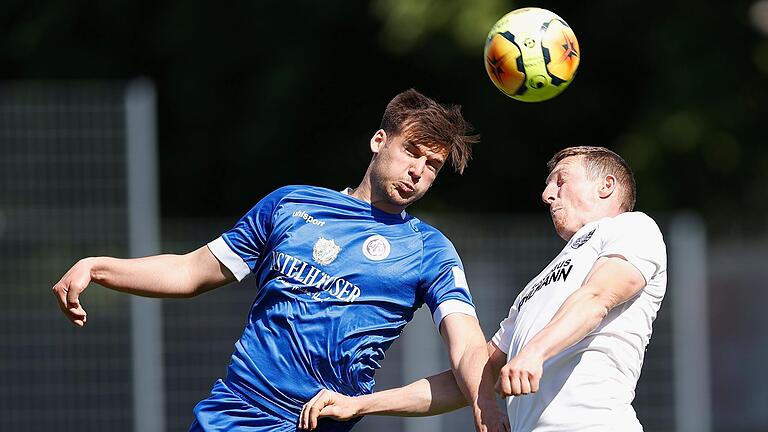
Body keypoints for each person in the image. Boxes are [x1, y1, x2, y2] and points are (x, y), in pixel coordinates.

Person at [51, 89, 508, 432]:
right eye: (412, 151)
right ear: (378, 140)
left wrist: (482, 399)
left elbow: (468, 345)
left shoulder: (429, 250)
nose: (419, 171)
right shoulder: (290, 205)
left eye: (432, 166)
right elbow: (192, 271)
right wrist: (99, 266)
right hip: (233, 412)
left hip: (316, 423)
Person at [299, 146, 667, 432]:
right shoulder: (536, 288)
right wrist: (361, 404)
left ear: (606, 186)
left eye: (560, 180)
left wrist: (533, 353)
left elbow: (598, 298)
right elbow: (470, 379)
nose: (546, 195)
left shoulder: (632, 228)